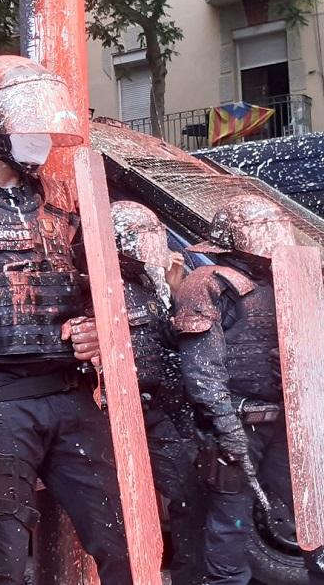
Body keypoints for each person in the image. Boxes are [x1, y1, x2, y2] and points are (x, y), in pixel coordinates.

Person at [0, 55, 132, 584]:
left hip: (71, 396)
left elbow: (104, 290)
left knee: (121, 537)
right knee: (2, 559)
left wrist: (100, 329)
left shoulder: (60, 199)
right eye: (30, 122)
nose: (43, 136)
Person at [173, 196, 324, 584]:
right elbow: (202, 371)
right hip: (238, 421)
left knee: (317, 512)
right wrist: (227, 428)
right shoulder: (209, 284)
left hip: (286, 418)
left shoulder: (285, 279)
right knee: (229, 522)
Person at [111, 200, 201, 585]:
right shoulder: (99, 282)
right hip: (121, 407)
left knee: (189, 495)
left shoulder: (149, 282)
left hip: (160, 405)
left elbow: (166, 341)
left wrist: (177, 292)